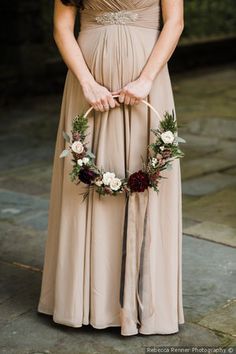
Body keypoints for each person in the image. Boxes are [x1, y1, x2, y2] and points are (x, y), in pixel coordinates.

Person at [37, 0, 185, 336]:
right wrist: (87, 83)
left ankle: (144, 305)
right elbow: (62, 26)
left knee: (144, 174)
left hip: (146, 74)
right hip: (87, 75)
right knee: (84, 183)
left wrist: (147, 79)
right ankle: (83, 301)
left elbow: (174, 21)